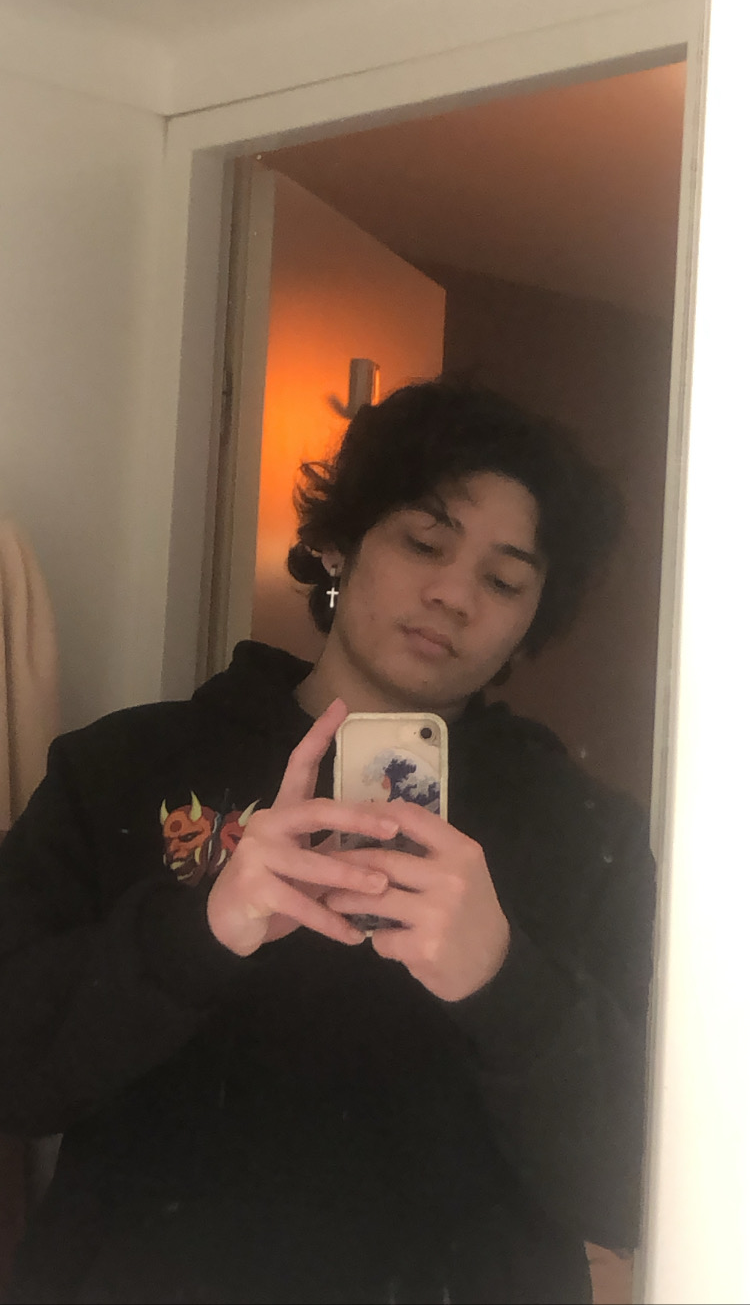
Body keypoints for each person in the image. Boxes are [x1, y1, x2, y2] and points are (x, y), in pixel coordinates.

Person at [0, 380, 655, 1305]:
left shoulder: (585, 834)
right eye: (423, 542)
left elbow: (635, 1190)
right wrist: (194, 934)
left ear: (529, 619)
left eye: (505, 581)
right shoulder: (124, 767)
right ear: (340, 543)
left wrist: (505, 981)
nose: (453, 595)